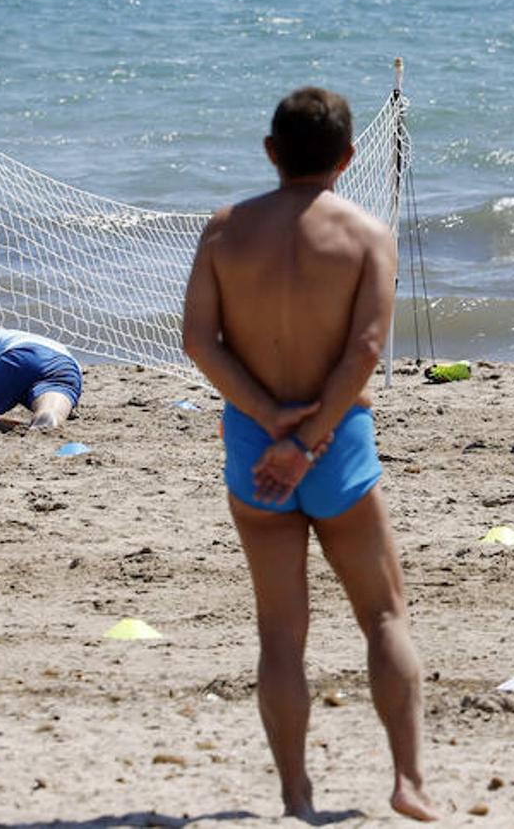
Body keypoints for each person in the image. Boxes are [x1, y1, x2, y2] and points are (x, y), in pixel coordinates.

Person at [181, 87, 436, 821]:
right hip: (337, 444)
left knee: (280, 635)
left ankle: (296, 796)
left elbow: (200, 342)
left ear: (270, 151)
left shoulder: (225, 232)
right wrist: (313, 439)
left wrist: (272, 424)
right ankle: (408, 781)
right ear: (349, 157)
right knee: (385, 616)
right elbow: (363, 351)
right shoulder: (366, 235)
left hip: (255, 445)